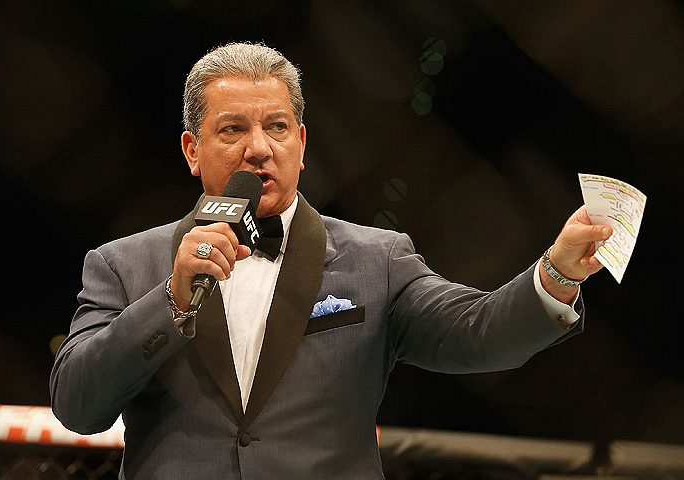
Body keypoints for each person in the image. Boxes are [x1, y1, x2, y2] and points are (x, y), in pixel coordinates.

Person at [50, 42, 612, 479]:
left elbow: (480, 333)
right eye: (233, 129)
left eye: (275, 127)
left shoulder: (377, 259)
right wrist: (170, 301)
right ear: (192, 150)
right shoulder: (123, 264)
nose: (258, 148)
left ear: (300, 141)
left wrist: (557, 272)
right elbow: (77, 406)